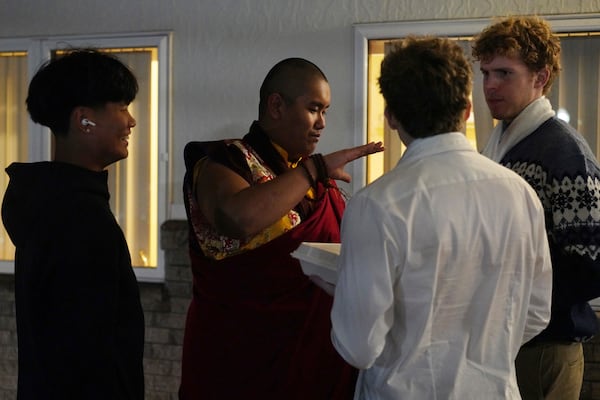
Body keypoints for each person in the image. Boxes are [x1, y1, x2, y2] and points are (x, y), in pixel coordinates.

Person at [328, 36, 553, 399]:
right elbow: (537, 312)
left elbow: (358, 347)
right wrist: (480, 348)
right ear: (466, 109)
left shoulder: (377, 205)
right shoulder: (519, 193)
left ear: (391, 117)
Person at [179, 57, 383, 400]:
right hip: (239, 365)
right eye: (314, 108)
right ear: (276, 105)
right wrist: (313, 170)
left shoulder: (315, 182)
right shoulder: (224, 161)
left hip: (316, 363)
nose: (321, 123)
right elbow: (238, 218)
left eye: (326, 111)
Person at [1, 49, 145, 399]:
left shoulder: (46, 200)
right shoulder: (78, 217)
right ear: (84, 120)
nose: (131, 121)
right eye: (122, 107)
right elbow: (86, 354)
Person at [472, 16, 600, 400]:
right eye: (485, 72)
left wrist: (516, 300)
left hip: (545, 346)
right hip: (507, 340)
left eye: (504, 73)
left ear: (540, 77)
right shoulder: (504, 144)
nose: (490, 85)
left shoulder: (563, 153)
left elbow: (591, 263)